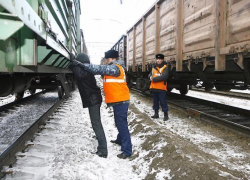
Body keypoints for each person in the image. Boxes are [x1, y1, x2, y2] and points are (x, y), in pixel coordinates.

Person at [70, 50, 132, 159]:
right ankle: (120, 139)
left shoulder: (115, 68)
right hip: (117, 99)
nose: (106, 61)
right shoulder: (113, 67)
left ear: (113, 59)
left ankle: (127, 151)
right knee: (119, 122)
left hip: (121, 100)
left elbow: (100, 69)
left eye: (107, 59)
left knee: (122, 124)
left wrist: (81, 65)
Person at [68, 53, 108, 158]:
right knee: (96, 123)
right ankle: (101, 142)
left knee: (96, 124)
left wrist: (73, 63)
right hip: (94, 98)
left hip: (93, 100)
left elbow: (79, 74)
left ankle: (103, 150)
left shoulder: (85, 71)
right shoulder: (87, 69)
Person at [149, 53, 169, 121]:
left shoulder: (165, 67)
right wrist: (149, 77)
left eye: (159, 59)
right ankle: (156, 114)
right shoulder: (154, 67)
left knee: (163, 102)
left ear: (162, 60)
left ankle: (166, 115)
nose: (158, 60)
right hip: (154, 88)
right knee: (155, 102)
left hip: (161, 88)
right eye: (157, 59)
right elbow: (150, 74)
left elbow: (164, 76)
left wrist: (154, 79)